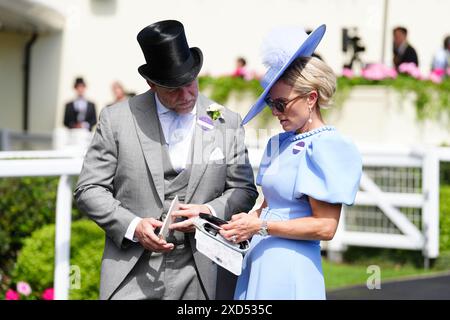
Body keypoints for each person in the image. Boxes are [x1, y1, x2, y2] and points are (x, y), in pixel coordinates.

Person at [74, 20, 258, 300]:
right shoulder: (117, 119)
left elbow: (244, 189)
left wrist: (207, 211)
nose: (187, 96)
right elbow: (89, 189)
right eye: (174, 89)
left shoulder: (223, 120)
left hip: (203, 271)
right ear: (151, 83)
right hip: (132, 271)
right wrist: (133, 226)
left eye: (190, 84)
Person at [219, 25, 362, 299]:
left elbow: (325, 227)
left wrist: (259, 226)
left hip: (291, 268)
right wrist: (243, 222)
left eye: (281, 104)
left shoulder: (328, 146)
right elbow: (268, 207)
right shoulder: (278, 143)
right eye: (272, 104)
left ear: (311, 98)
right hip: (259, 262)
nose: (275, 112)